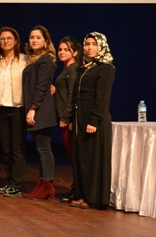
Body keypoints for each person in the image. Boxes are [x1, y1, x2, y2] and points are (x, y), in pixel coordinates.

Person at [70, 33, 115, 210]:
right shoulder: (84, 68)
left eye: (94, 44)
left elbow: (102, 98)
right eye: (87, 44)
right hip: (80, 118)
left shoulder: (106, 69)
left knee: (92, 160)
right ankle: (82, 194)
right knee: (82, 158)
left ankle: (93, 197)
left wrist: (94, 121)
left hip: (95, 120)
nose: (89, 48)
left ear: (101, 46)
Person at [0, 26, 28, 197]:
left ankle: (16, 184)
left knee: (17, 148)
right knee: (5, 149)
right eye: (2, 38)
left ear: (16, 41)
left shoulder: (25, 60)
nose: (6, 41)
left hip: (18, 109)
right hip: (0, 109)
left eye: (9, 38)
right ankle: (9, 181)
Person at [22, 26, 58, 200]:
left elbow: (42, 86)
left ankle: (48, 186)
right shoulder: (34, 60)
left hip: (42, 110)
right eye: (31, 37)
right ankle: (41, 184)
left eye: (38, 37)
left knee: (44, 149)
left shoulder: (45, 60)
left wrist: (33, 108)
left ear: (46, 41)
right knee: (40, 149)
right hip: (38, 108)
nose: (34, 40)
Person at [53, 36, 82, 203]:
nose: (62, 52)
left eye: (66, 49)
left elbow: (72, 95)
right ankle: (76, 188)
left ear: (75, 52)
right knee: (72, 155)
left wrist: (66, 117)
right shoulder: (66, 69)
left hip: (68, 119)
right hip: (64, 117)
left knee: (74, 155)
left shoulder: (73, 69)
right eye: (60, 49)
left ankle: (77, 190)